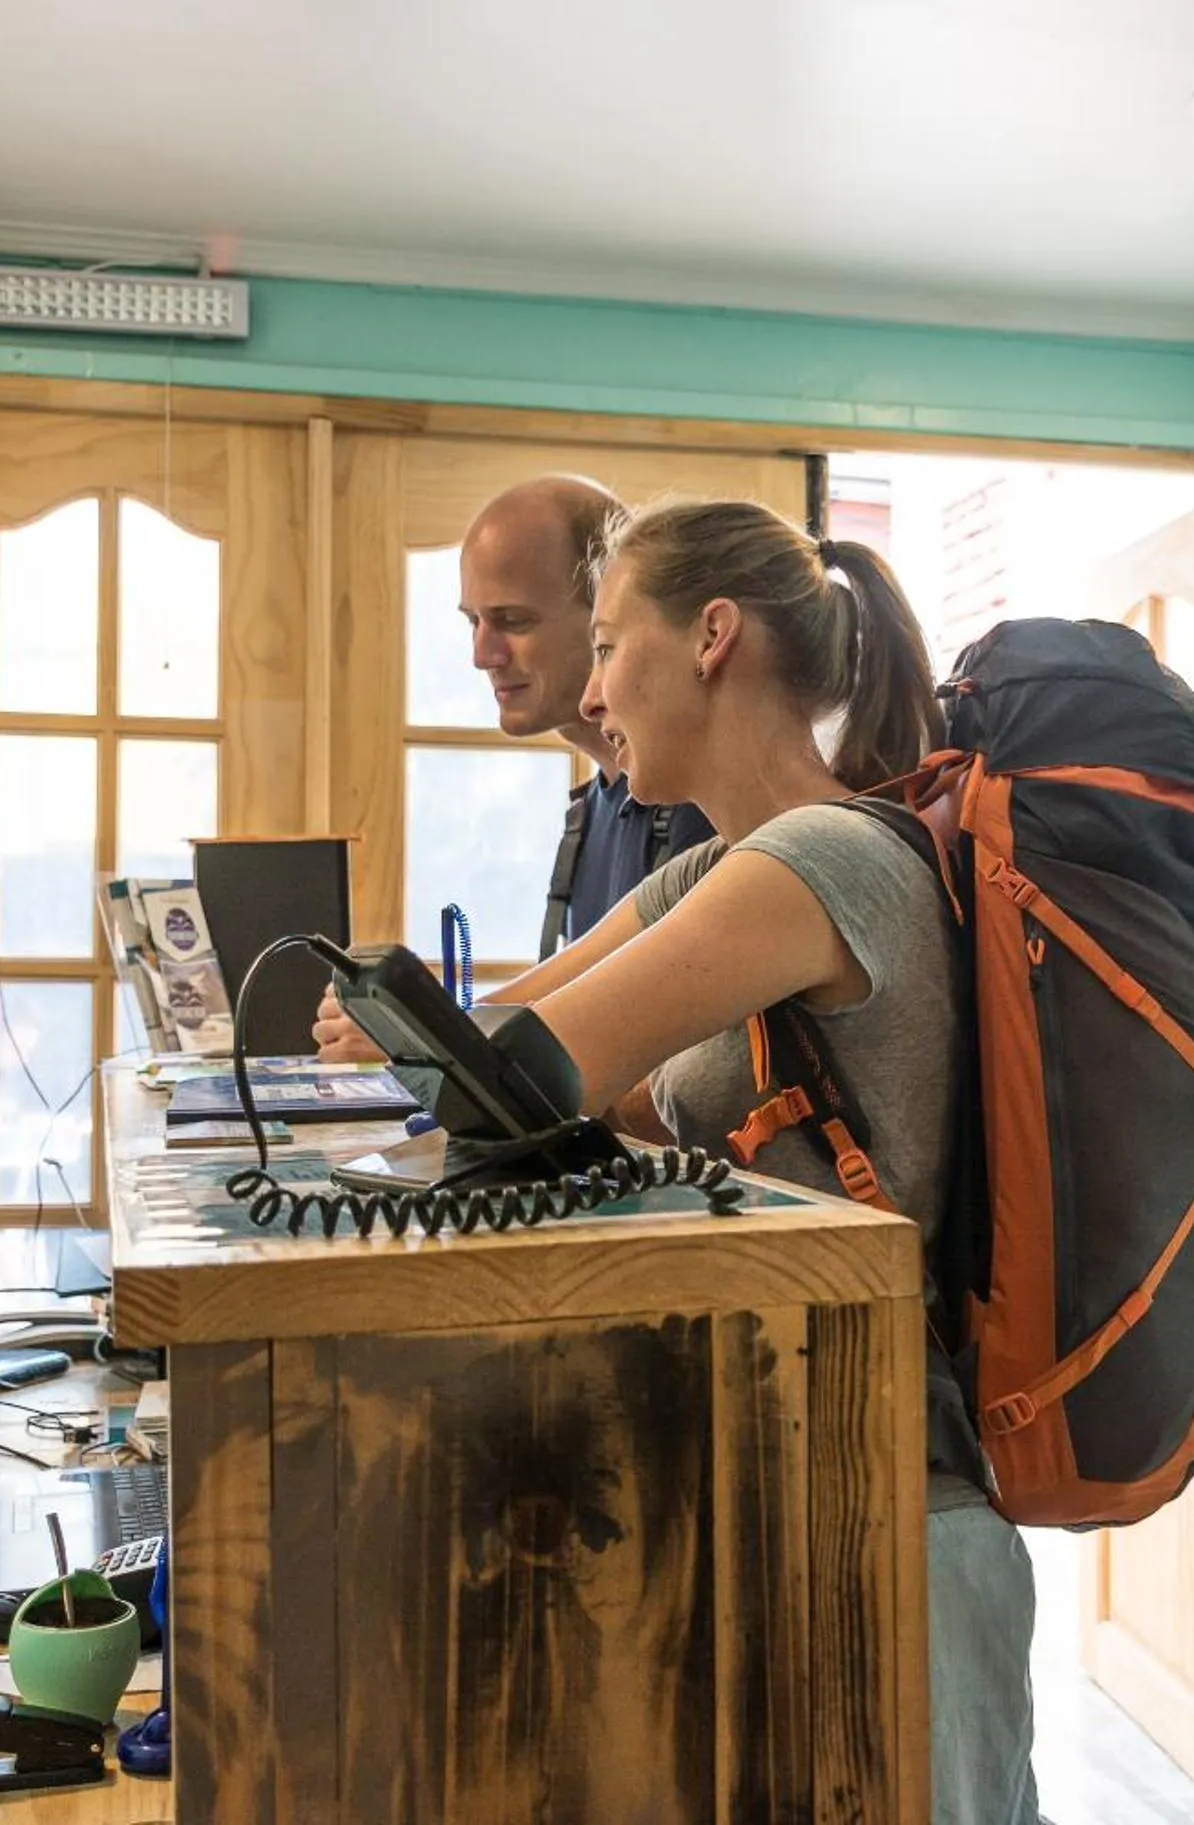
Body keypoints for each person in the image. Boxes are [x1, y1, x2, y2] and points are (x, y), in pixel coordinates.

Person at [319, 499, 1038, 1823]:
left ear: (712, 637)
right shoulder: (724, 864)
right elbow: (493, 1034)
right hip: (788, 1486)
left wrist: (438, 1056)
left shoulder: (820, 862)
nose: (590, 693)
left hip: (892, 1516)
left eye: (605, 643)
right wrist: (389, 1017)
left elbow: (531, 1077)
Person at [461, 475, 718, 953]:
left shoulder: (706, 805)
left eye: (514, 621)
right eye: (472, 621)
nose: (482, 654)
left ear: (610, 607)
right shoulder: (588, 816)